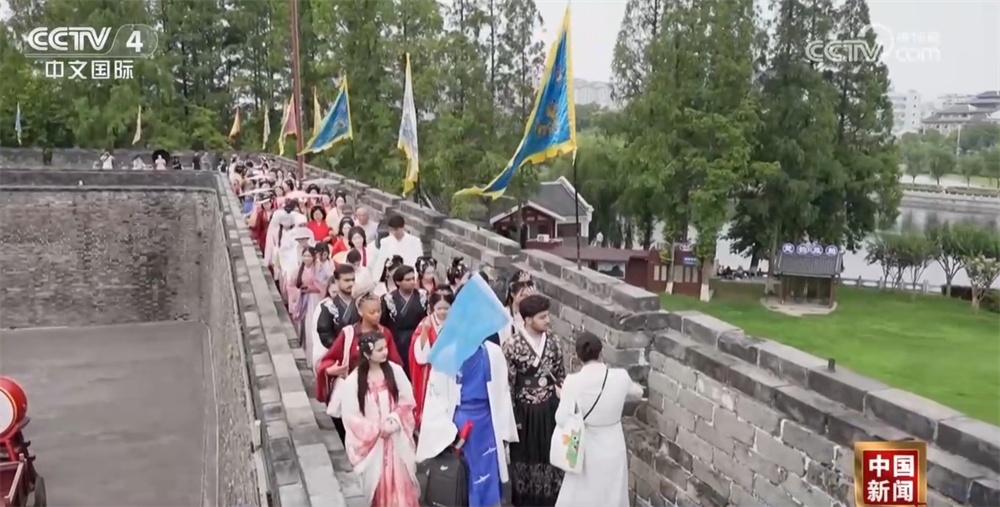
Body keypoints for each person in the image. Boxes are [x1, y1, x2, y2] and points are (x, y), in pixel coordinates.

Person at [416, 323, 519, 507]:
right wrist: (445, 430)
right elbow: (437, 396)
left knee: (488, 467)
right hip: (460, 421)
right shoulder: (447, 356)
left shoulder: (492, 352)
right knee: (462, 469)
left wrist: (503, 429)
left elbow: (502, 393)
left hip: (488, 420)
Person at [555, 333, 643, 507]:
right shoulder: (620, 376)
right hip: (613, 443)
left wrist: (563, 396)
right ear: (601, 352)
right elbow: (638, 393)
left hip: (585, 446)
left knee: (584, 493)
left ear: (578, 356)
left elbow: (561, 418)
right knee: (612, 492)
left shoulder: (572, 382)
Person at [340, 331, 420, 507]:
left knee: (401, 485)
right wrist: (377, 429)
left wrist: (394, 420)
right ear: (367, 354)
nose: (385, 352)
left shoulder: (395, 371)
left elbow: (407, 400)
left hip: (396, 439)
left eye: (385, 348)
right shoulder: (354, 381)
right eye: (379, 349)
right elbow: (351, 417)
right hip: (374, 444)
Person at [316, 293, 405, 442]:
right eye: (372, 312)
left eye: (379, 311)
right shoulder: (349, 334)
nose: (376, 315)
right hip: (353, 389)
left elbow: (395, 363)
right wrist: (331, 370)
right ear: (360, 312)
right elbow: (329, 359)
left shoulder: (385, 333)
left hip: (379, 392)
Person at [503, 294, 565, 507]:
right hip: (524, 411)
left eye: (547, 316)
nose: (547, 320)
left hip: (549, 408)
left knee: (550, 454)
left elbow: (560, 375)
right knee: (525, 456)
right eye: (542, 317)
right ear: (528, 320)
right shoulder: (512, 345)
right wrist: (512, 418)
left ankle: (551, 499)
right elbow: (508, 385)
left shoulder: (554, 342)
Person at [408, 289, 453, 429]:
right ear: (432, 308)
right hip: (431, 373)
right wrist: (425, 332)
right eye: (439, 308)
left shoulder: (456, 323)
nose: (443, 312)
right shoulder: (425, 324)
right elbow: (420, 356)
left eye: (446, 308)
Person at [309, 265, 361, 368]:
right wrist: (342, 349)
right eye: (346, 280)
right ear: (337, 282)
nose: (351, 283)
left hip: (359, 354)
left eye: (353, 280)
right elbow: (325, 334)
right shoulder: (328, 306)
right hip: (337, 357)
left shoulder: (360, 303)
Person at [380, 266, 427, 377]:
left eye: (413, 278)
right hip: (396, 341)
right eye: (408, 280)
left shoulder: (422, 296)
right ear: (398, 282)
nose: (412, 282)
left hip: (418, 338)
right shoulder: (388, 299)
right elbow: (383, 323)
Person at [295, 247, 324, 354]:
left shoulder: (318, 269)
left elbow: (323, 285)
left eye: (309, 256)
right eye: (304, 256)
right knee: (306, 326)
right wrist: (299, 291)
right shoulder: (299, 269)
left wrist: (311, 288)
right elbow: (292, 285)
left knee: (313, 324)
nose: (306, 258)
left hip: (315, 298)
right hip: (303, 299)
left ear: (313, 257)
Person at [376, 215, 422, 280]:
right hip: (392, 277)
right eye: (391, 230)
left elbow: (419, 261)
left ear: (403, 227)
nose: (394, 232)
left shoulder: (414, 241)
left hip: (410, 276)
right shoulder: (385, 242)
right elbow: (381, 262)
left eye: (396, 229)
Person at [498, 271, 535, 346]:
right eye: (523, 295)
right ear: (512, 294)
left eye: (529, 296)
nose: (526, 299)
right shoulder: (503, 315)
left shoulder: (534, 316)